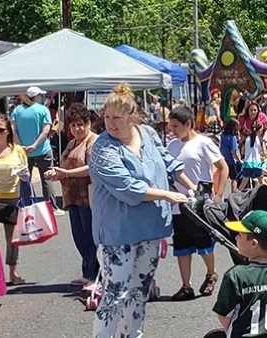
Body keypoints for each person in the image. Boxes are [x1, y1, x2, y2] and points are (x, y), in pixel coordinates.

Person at [89, 83, 196, 337]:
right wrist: (168, 194)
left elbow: (168, 163)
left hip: (150, 229)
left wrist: (192, 188)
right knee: (115, 295)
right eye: (106, 117)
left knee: (139, 293)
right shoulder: (103, 148)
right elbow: (128, 188)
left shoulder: (147, 133)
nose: (110, 123)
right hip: (118, 234)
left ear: (131, 117)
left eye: (117, 117)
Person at [167, 106, 229, 301]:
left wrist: (218, 195)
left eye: (176, 126)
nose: (173, 131)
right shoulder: (171, 145)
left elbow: (223, 166)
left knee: (204, 243)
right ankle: (186, 285)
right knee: (182, 245)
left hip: (200, 201)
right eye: (171, 126)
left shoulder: (203, 143)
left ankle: (211, 273)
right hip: (178, 202)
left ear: (188, 124)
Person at [43, 103, 99, 290]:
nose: (77, 129)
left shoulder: (93, 141)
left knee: (90, 238)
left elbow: (92, 168)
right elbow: (65, 166)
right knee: (79, 237)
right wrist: (55, 173)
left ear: (89, 123)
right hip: (72, 196)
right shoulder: (72, 142)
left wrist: (66, 174)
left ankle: (95, 275)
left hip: (87, 197)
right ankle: (86, 272)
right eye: (73, 125)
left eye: (81, 124)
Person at [0, 113, 29, 285]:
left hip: (11, 198)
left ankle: (12, 272)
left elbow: (26, 173)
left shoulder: (18, 151)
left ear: (8, 131)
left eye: (0, 130)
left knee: (12, 239)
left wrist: (24, 176)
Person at [11, 86, 63, 215]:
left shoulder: (16, 111)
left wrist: (20, 145)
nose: (42, 97)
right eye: (40, 95)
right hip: (43, 150)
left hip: (23, 152)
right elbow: (46, 131)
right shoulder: (43, 110)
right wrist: (34, 145)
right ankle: (51, 207)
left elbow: (13, 130)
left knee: (24, 180)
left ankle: (27, 206)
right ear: (36, 96)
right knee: (47, 179)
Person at [239, 122, 266, 189]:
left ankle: (237, 196)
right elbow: (264, 152)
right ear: (259, 131)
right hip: (257, 163)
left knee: (243, 182)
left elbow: (242, 152)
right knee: (261, 181)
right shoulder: (260, 139)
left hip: (247, 163)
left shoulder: (246, 139)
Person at [220, 119, 242, 193]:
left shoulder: (223, 135)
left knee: (223, 178)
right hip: (231, 161)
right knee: (235, 179)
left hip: (223, 159)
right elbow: (234, 152)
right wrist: (239, 160)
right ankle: (233, 195)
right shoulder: (232, 138)